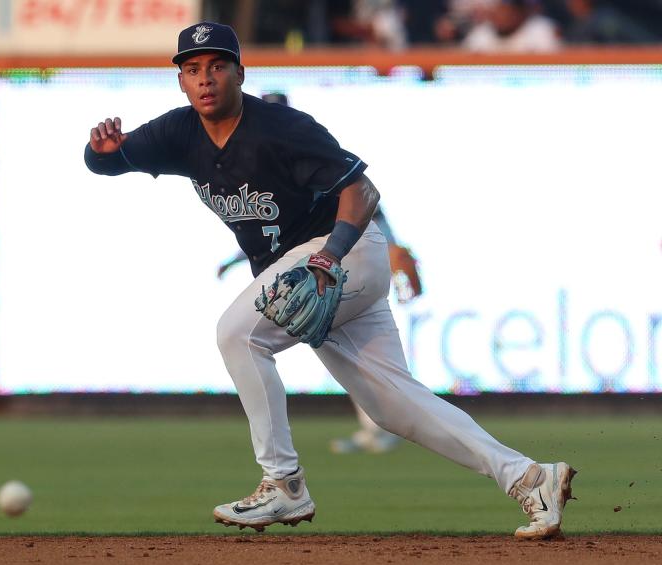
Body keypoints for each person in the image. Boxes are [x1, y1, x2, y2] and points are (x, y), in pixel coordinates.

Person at [84, 21, 576, 538]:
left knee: (236, 334)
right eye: (192, 69)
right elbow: (106, 163)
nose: (205, 78)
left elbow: (362, 192)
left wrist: (330, 257)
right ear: (181, 81)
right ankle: (529, 478)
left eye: (216, 66)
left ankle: (283, 484)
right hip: (311, 271)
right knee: (394, 406)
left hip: (345, 256)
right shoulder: (179, 132)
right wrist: (101, 148)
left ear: (239, 73)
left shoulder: (281, 127)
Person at [216, 92, 421, 455]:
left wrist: (391, 249)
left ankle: (385, 426)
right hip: (317, 268)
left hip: (345, 264)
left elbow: (365, 203)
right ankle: (381, 426)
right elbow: (269, 224)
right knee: (358, 362)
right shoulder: (270, 162)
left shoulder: (306, 149)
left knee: (367, 363)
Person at [462, 0, 561, 52]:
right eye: (499, 9)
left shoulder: (541, 29)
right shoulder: (481, 33)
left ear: (520, 12)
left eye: (508, 10)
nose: (502, 15)